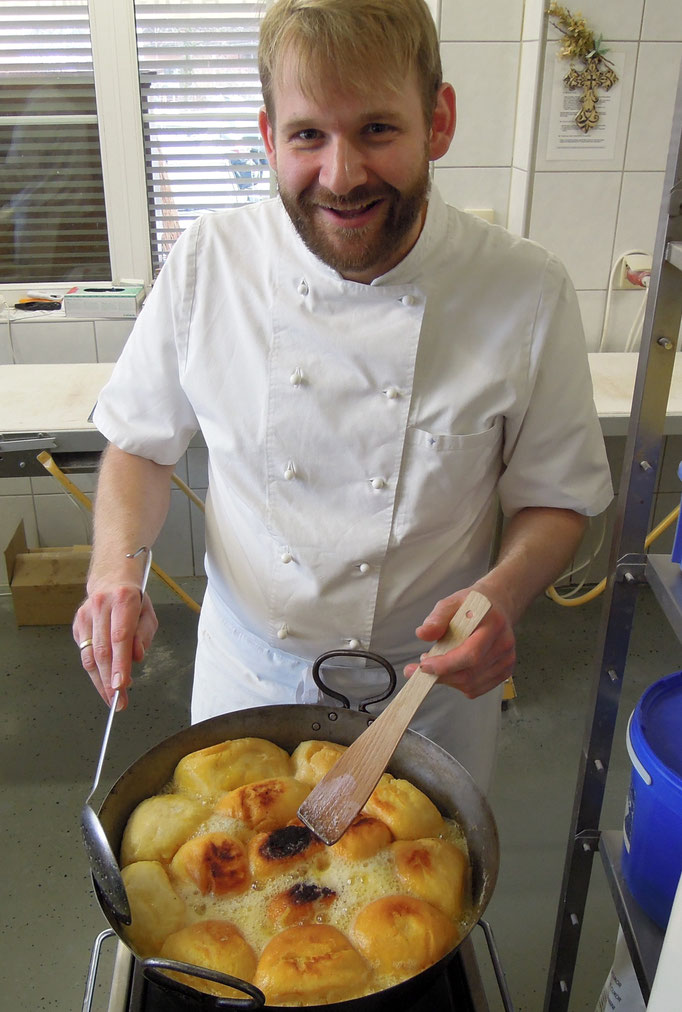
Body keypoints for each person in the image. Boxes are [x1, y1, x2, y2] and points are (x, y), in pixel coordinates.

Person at [73, 0, 612, 794]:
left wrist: (503, 594)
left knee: (412, 906)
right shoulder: (209, 265)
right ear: (269, 138)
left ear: (439, 121)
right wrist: (114, 575)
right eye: (307, 136)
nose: (342, 174)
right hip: (248, 682)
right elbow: (140, 444)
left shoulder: (525, 290)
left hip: (429, 691)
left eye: (377, 130)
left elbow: (557, 498)